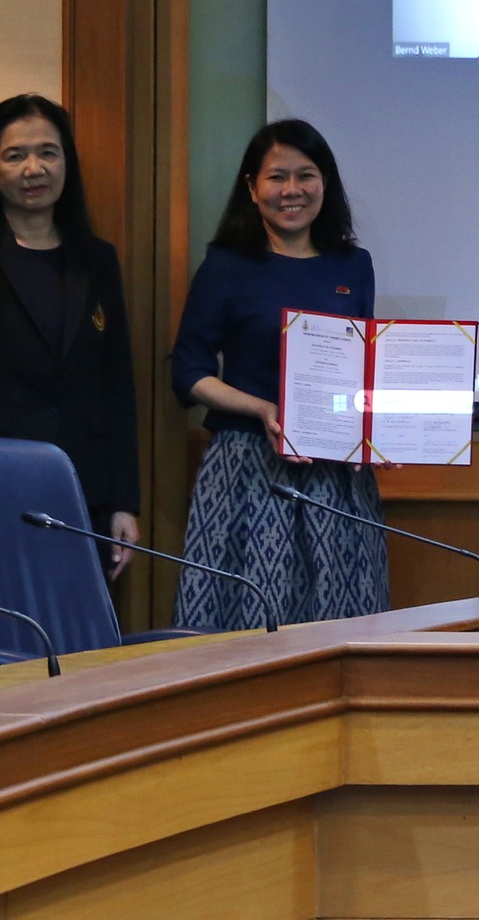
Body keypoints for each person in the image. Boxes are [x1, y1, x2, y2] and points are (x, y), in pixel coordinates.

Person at [170, 119, 384, 629]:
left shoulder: (353, 265)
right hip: (247, 467)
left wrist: (375, 434)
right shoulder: (225, 265)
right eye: (276, 177)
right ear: (251, 186)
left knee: (339, 623)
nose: (292, 191)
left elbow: (364, 371)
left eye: (306, 175)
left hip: (336, 473)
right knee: (246, 624)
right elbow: (188, 371)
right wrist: (263, 408)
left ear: (325, 183)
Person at [0, 95, 140, 579]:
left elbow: (116, 386)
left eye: (48, 153)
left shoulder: (97, 259)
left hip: (85, 491)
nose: (33, 168)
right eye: (14, 155)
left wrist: (124, 503)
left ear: (67, 163)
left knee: (85, 643)